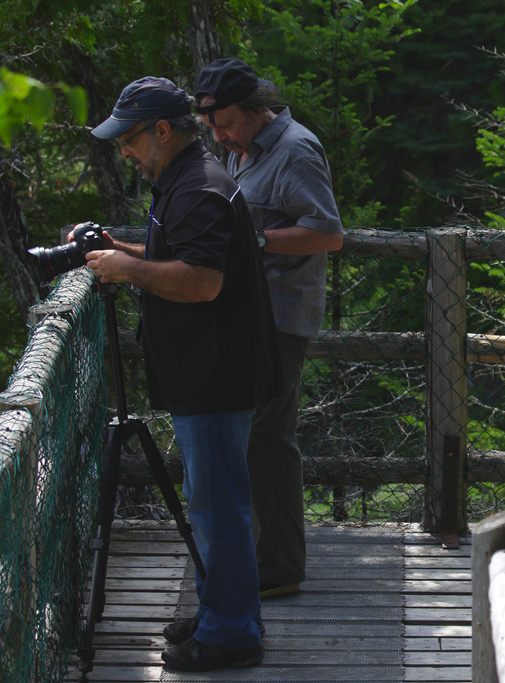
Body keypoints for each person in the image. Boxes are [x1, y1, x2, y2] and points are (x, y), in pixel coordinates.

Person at [86, 76, 280, 672]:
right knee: (216, 504)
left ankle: (231, 634)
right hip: (213, 371)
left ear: (161, 131)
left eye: (129, 139)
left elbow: (201, 280)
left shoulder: (196, 187)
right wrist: (120, 249)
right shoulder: (190, 179)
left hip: (216, 376)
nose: (124, 151)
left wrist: (125, 269)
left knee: (219, 508)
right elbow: (181, 255)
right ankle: (225, 611)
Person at [192, 58, 344, 598]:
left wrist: (255, 243)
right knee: (254, 440)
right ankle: (258, 563)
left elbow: (326, 233)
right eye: (211, 125)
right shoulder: (245, 149)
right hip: (254, 317)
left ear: (256, 109)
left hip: (280, 318)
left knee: (267, 442)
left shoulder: (295, 149)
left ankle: (275, 571)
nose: (218, 134)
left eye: (226, 122)